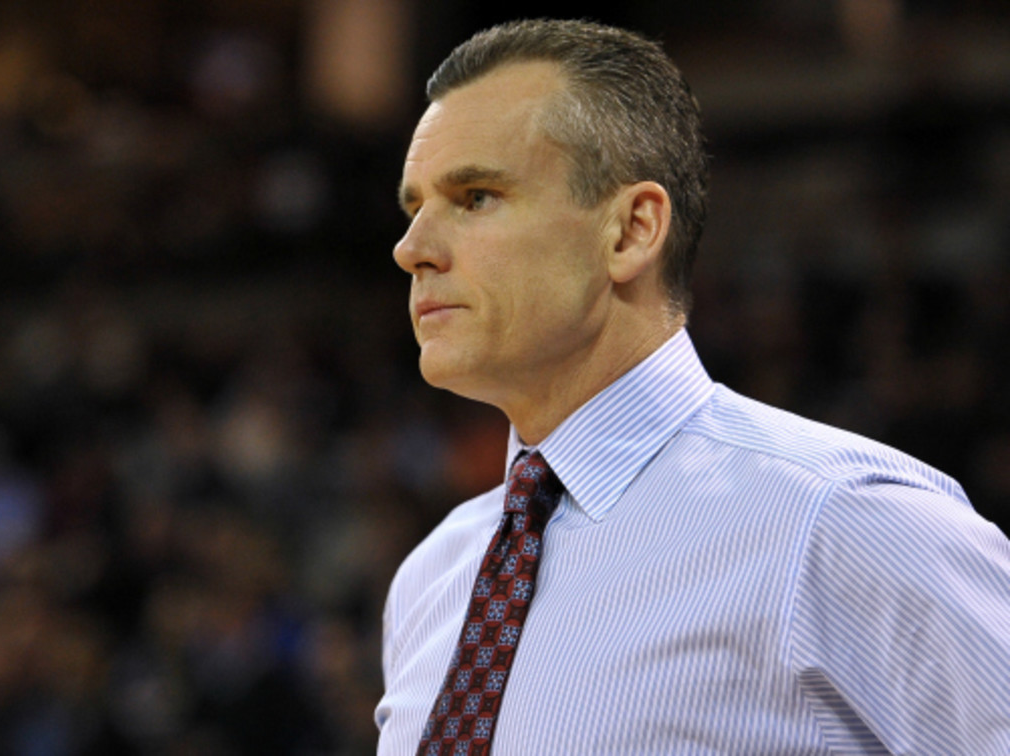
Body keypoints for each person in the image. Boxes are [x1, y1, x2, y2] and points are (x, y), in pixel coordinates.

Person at [375, 18, 1010, 755]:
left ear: (631, 231)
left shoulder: (846, 524)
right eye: (413, 207)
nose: (411, 248)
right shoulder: (435, 575)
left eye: (476, 196)